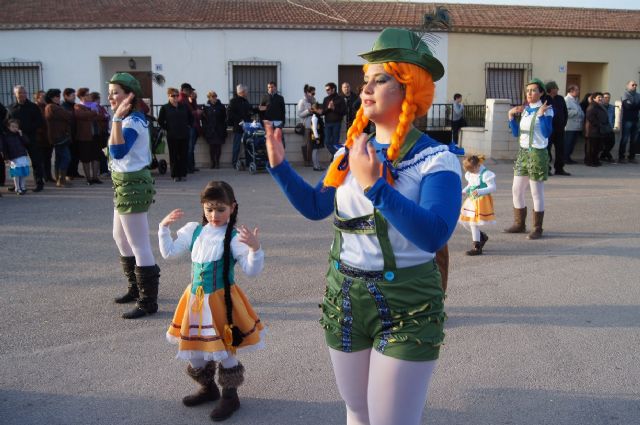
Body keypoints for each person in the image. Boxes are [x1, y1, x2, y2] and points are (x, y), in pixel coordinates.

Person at [265, 27, 461, 425]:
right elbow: (317, 206)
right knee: (357, 410)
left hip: (409, 303)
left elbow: (434, 234)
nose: (366, 89)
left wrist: (375, 186)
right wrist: (279, 167)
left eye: (381, 79)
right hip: (345, 298)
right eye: (365, 80)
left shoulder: (437, 159)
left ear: (408, 86)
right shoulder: (350, 150)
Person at [159, 180, 265, 422]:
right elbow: (169, 253)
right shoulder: (194, 231)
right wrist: (163, 229)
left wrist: (255, 249)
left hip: (221, 301)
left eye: (220, 209)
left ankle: (230, 397)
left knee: (225, 350)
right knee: (195, 352)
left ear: (232, 208)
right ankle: (208, 389)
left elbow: (252, 270)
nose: (214, 215)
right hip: (195, 301)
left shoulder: (235, 238)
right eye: (209, 209)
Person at [107, 72, 160, 320]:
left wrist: (116, 119)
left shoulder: (133, 121)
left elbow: (117, 151)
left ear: (129, 95)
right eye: (109, 92)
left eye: (115, 92)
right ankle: (136, 288)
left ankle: (148, 301)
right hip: (123, 184)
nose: (110, 97)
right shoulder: (126, 119)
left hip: (133, 185)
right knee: (119, 236)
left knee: (139, 244)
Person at [505, 78, 552, 240]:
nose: (530, 93)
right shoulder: (525, 110)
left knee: (536, 192)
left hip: (537, 154)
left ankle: (537, 228)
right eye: (528, 91)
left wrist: (541, 115)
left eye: (533, 90)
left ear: (541, 93)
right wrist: (511, 117)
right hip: (523, 153)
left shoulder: (547, 109)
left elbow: (546, 133)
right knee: (516, 189)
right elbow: (517, 133)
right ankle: (519, 224)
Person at [8, 85, 45, 192]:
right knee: (16, 163)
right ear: (15, 94)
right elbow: (7, 122)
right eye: (19, 93)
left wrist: (26, 129)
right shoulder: (11, 108)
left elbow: (40, 122)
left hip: (31, 138)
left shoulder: (33, 106)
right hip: (16, 141)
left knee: (36, 161)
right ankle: (17, 185)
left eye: (24, 92)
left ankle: (39, 183)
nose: (22, 94)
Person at [458, 154, 496, 256]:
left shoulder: (486, 174)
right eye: (469, 171)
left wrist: (480, 191)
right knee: (465, 222)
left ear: (477, 165)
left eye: (472, 170)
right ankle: (481, 236)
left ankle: (477, 247)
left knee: (473, 223)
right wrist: (464, 191)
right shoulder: (471, 174)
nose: (471, 173)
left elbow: (493, 187)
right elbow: (470, 184)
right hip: (472, 200)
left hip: (482, 201)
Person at [158, 87, 192, 182]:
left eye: (177, 95)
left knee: (183, 155)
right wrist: (167, 128)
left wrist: (189, 126)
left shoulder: (183, 106)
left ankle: (183, 174)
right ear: (169, 96)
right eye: (173, 96)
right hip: (172, 135)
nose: (176, 97)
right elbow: (160, 121)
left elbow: (191, 117)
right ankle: (175, 175)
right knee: (174, 155)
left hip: (184, 134)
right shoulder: (165, 108)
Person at [44, 89, 73, 187]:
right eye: (57, 96)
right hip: (59, 136)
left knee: (59, 158)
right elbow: (68, 115)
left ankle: (59, 179)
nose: (59, 98)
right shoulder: (52, 107)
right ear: (51, 98)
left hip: (58, 136)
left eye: (59, 96)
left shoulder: (53, 107)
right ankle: (61, 180)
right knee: (66, 157)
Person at [74, 87, 101, 185]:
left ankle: (95, 177)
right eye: (87, 94)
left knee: (96, 157)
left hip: (95, 134)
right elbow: (81, 115)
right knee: (86, 158)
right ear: (82, 97)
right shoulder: (78, 106)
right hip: (85, 136)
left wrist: (93, 113)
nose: (89, 96)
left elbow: (100, 116)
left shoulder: (93, 106)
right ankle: (88, 178)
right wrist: (93, 113)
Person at [543, 81, 570, 176]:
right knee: (547, 149)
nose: (557, 89)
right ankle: (546, 168)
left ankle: (559, 168)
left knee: (560, 149)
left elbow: (565, 112)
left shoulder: (560, 98)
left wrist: (564, 123)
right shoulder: (544, 99)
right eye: (556, 88)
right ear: (550, 89)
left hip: (560, 128)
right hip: (549, 128)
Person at [227, 84, 255, 168]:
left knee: (249, 145)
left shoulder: (245, 101)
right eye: (246, 91)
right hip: (238, 127)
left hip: (247, 127)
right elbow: (230, 114)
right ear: (242, 92)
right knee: (237, 146)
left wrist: (257, 109)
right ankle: (234, 162)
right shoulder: (233, 101)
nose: (247, 93)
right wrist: (240, 120)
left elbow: (250, 110)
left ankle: (249, 162)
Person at [1, 119, 30, 195]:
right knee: (16, 173)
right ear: (8, 127)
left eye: (16, 127)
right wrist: (6, 158)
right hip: (13, 158)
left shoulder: (20, 135)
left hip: (22, 156)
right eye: (12, 127)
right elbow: (5, 148)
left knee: (23, 173)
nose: (14, 128)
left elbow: (27, 142)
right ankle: (17, 188)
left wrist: (21, 135)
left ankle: (23, 186)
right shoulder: (6, 136)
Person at [201, 91, 227, 169]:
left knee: (218, 147)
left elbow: (224, 117)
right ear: (209, 97)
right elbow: (203, 119)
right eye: (212, 96)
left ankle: (217, 162)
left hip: (219, 129)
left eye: (215, 96)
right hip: (210, 130)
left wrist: (223, 127)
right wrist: (205, 128)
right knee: (212, 147)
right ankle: (212, 162)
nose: (214, 98)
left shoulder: (221, 106)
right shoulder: (206, 106)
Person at [33, 90, 55, 183]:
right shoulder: (35, 107)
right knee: (40, 159)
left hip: (48, 137)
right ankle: (39, 177)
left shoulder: (48, 106)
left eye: (45, 96)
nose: (44, 98)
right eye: (42, 96)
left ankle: (48, 176)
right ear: (37, 98)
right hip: (39, 138)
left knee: (48, 158)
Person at [584, 92, 611, 167]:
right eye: (598, 97)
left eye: (601, 97)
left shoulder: (599, 106)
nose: (600, 98)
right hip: (592, 131)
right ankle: (590, 161)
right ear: (594, 98)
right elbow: (590, 118)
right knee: (591, 148)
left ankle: (595, 160)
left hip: (599, 131)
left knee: (597, 147)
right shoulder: (592, 106)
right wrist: (599, 125)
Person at [319, 82, 346, 155]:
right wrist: (328, 108)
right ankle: (336, 155)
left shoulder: (340, 99)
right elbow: (322, 112)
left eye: (328, 89)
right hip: (327, 124)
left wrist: (334, 108)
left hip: (337, 123)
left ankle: (335, 157)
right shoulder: (326, 99)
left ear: (333, 89)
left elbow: (344, 111)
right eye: (326, 90)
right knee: (327, 142)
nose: (327, 91)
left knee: (335, 143)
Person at [179, 82, 199, 173]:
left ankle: (191, 166)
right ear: (185, 91)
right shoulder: (183, 100)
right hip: (189, 126)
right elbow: (190, 112)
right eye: (190, 91)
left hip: (191, 126)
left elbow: (192, 109)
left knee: (190, 148)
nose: (191, 92)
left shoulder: (186, 99)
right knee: (189, 148)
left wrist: (194, 100)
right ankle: (189, 167)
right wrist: (197, 112)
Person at [619, 80, 640, 164]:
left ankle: (632, 157)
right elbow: (627, 106)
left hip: (636, 120)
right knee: (625, 139)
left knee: (634, 140)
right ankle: (621, 157)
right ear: (628, 86)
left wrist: (633, 105)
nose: (634, 86)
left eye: (636, 85)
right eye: (632, 85)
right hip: (627, 120)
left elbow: (634, 106)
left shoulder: (638, 95)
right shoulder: (625, 94)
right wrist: (636, 105)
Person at [296, 84, 316, 167]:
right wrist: (308, 111)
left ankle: (309, 160)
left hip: (314, 125)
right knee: (307, 144)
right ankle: (307, 161)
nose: (313, 95)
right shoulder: (302, 101)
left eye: (314, 93)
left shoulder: (314, 100)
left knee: (312, 143)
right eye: (312, 93)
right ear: (307, 93)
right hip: (306, 125)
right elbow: (299, 114)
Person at [564, 85, 583, 164]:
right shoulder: (567, 100)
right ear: (571, 91)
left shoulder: (576, 100)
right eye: (577, 90)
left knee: (572, 144)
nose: (578, 91)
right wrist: (577, 112)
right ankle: (565, 158)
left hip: (576, 126)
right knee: (568, 143)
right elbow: (566, 112)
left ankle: (568, 157)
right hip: (569, 126)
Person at [600, 92, 616, 163]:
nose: (607, 99)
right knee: (603, 144)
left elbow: (615, 117)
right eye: (606, 97)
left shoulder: (612, 107)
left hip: (610, 128)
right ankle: (609, 157)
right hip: (602, 128)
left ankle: (603, 156)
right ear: (602, 98)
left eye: (609, 97)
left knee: (612, 143)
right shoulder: (599, 107)